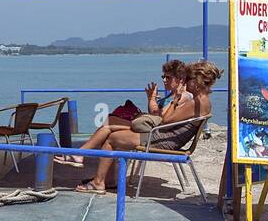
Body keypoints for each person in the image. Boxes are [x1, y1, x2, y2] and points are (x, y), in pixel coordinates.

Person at [74, 60, 221, 194]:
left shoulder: (197, 102)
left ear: (197, 81)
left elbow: (166, 120)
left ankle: (99, 182)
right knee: (112, 129)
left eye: (188, 79)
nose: (186, 82)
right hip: (166, 136)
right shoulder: (203, 101)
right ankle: (107, 179)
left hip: (164, 140)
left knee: (112, 139)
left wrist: (175, 100)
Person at [55, 59, 192, 165]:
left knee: (109, 126)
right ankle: (80, 155)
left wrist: (152, 99)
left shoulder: (182, 96)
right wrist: (150, 99)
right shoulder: (174, 95)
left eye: (168, 77)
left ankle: (80, 155)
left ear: (180, 79)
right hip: (152, 127)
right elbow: (155, 113)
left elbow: (161, 117)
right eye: (163, 76)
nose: (164, 80)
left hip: (154, 132)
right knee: (110, 121)